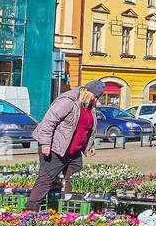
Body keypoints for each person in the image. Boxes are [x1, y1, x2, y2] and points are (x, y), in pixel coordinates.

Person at [25, 80, 102, 210]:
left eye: (97, 98)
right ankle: (29, 210)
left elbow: (86, 129)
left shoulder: (89, 107)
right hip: (55, 147)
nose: (96, 100)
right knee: (46, 179)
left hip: (73, 151)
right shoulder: (68, 101)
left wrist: (88, 147)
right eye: (95, 96)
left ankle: (67, 208)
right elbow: (49, 122)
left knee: (74, 178)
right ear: (87, 92)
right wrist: (45, 143)